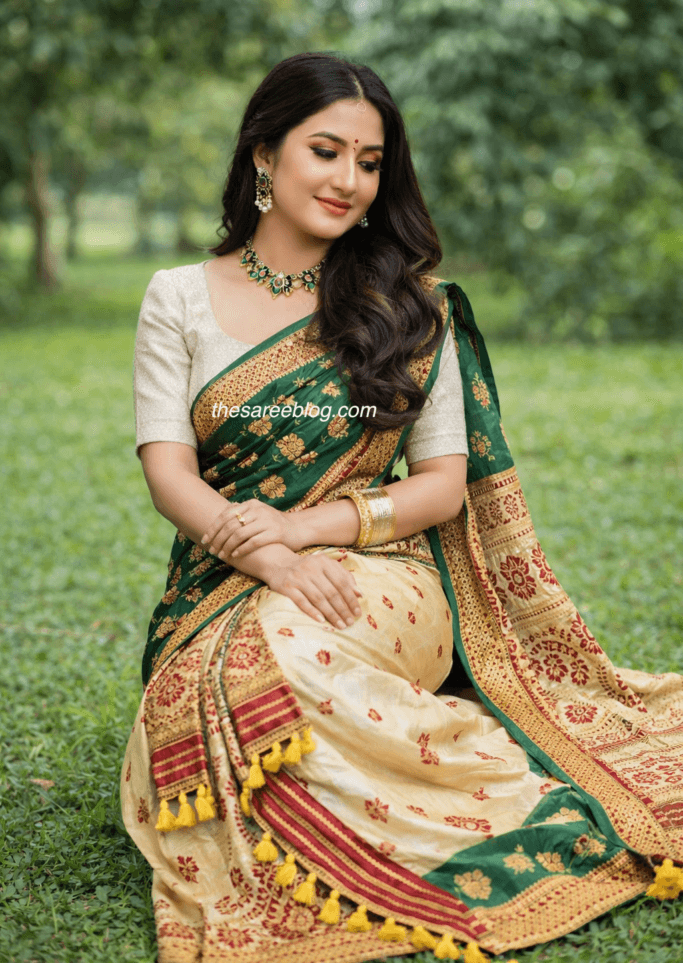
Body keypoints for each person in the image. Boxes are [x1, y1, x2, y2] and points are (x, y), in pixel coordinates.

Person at [122, 52, 683, 963]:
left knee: (280, 648)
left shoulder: (410, 308)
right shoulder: (178, 295)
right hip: (221, 583)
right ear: (264, 154)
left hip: (386, 578)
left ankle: (499, 775)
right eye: (326, 151)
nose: (349, 179)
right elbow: (169, 475)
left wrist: (308, 530)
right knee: (207, 688)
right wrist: (266, 557)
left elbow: (439, 485)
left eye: (370, 161)